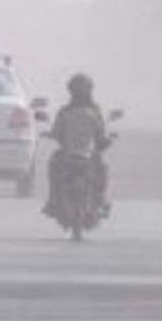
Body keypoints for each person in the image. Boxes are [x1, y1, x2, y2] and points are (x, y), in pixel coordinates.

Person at [44, 73, 111, 218]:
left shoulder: (65, 111)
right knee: (102, 168)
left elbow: (56, 132)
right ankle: (101, 199)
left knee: (54, 165)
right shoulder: (94, 111)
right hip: (85, 154)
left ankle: (53, 200)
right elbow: (101, 135)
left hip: (72, 154)